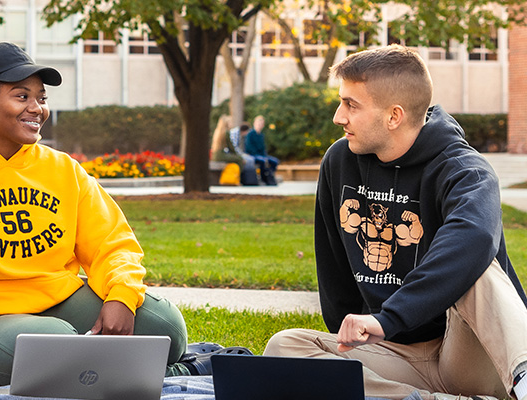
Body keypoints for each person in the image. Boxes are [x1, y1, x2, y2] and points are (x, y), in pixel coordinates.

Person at [0, 41, 239, 387]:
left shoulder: (62, 169)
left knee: (164, 327)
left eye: (41, 98)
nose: (37, 109)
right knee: (50, 343)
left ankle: (116, 365)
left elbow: (112, 242)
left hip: (59, 301)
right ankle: (176, 372)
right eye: (21, 96)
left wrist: (121, 295)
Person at [263, 44, 527, 400]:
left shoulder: (464, 170)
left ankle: (524, 379)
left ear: (394, 116)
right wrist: (352, 338)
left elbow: (475, 237)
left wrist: (389, 318)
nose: (338, 117)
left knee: (478, 265)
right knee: (285, 347)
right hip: (393, 353)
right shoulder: (340, 161)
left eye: (351, 105)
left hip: (468, 353)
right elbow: (335, 268)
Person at [210, 116, 259, 185]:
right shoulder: (226, 132)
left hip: (216, 155)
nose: (231, 124)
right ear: (226, 123)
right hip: (221, 155)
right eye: (230, 122)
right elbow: (231, 148)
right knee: (239, 159)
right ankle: (239, 179)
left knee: (238, 158)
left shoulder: (218, 131)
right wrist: (239, 157)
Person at [244, 115, 279, 186]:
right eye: (258, 123)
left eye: (261, 124)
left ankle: (269, 176)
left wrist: (264, 155)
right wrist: (261, 156)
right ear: (254, 124)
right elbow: (249, 148)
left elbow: (263, 149)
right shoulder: (250, 134)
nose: (259, 125)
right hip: (252, 155)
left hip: (262, 155)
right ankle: (264, 178)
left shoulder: (261, 135)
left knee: (275, 161)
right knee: (263, 161)